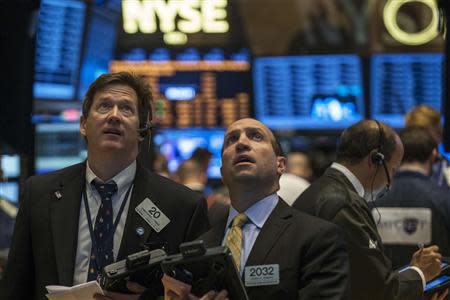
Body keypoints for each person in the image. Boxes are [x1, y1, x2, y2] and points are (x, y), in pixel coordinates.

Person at [0, 72, 210, 300]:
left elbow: (198, 294)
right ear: (83, 124)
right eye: (104, 106)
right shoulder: (40, 193)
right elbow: (14, 289)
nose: (114, 116)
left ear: (141, 130)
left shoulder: (182, 206)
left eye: (126, 109)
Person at [163, 118, 350, 300]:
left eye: (256, 136)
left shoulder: (318, 238)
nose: (241, 143)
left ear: (280, 165)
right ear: (222, 173)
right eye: (231, 139)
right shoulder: (200, 248)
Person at [293, 120, 444, 300]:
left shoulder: (317, 191)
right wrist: (420, 273)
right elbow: (379, 292)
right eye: (393, 171)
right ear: (375, 159)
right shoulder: (345, 204)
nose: (391, 183)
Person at [374, 126, 450, 268]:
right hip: (435, 289)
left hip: (382, 288)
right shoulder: (445, 199)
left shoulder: (372, 200)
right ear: (434, 155)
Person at [405, 104, 450, 189]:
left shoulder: (448, 171)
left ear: (439, 135)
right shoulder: (393, 169)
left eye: (424, 134)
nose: (419, 140)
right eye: (414, 134)